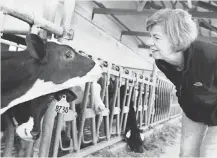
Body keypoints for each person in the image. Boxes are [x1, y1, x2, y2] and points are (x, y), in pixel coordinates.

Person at [145, 8, 217, 157]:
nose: (148, 42)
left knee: (208, 153)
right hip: (194, 110)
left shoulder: (210, 56)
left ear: (176, 38)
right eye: (150, 36)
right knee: (187, 153)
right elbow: (182, 85)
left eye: (156, 37)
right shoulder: (162, 62)